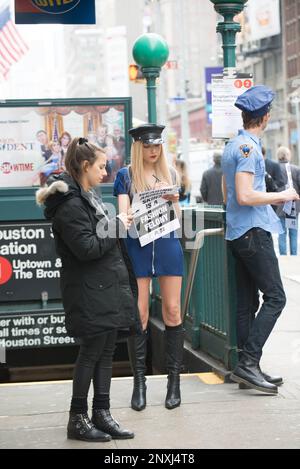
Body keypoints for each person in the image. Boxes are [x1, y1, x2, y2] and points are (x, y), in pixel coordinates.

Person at [36, 137, 139, 442]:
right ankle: (77, 418)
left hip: (102, 286)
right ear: (84, 166)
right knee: (91, 352)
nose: (105, 172)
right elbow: (87, 248)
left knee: (106, 350)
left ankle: (102, 414)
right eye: (101, 166)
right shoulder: (70, 204)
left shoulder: (87, 195)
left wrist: (116, 223)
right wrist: (118, 224)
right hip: (88, 289)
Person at [221, 85, 299, 395]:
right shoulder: (248, 149)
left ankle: (247, 368)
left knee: (246, 304)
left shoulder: (233, 146)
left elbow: (231, 192)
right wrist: (282, 194)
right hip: (253, 232)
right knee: (276, 297)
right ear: (264, 117)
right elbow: (243, 194)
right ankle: (249, 362)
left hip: (238, 232)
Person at [113, 124, 184, 411]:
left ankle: (174, 383)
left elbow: (178, 220)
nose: (153, 151)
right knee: (139, 314)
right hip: (138, 246)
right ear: (138, 147)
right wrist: (130, 212)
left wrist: (175, 202)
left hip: (167, 243)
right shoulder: (125, 175)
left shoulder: (172, 173)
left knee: (173, 310)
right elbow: (121, 215)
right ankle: (139, 383)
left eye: (157, 146)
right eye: (148, 146)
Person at [276, 146, 300, 255]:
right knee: (293, 233)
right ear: (288, 155)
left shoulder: (274, 169)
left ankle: (283, 257)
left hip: (279, 204)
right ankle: (294, 257)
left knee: (281, 233)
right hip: (293, 206)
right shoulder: (296, 169)